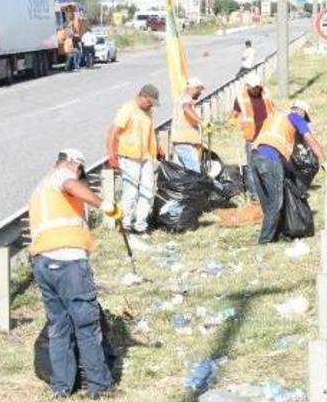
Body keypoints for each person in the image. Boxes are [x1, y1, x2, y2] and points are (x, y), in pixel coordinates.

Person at [28, 148, 121, 398]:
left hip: (43, 263)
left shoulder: (40, 189)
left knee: (59, 327)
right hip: (68, 263)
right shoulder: (62, 176)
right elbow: (70, 183)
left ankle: (61, 387)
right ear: (75, 165)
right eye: (81, 171)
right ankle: (99, 387)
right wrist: (105, 204)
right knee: (86, 325)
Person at [250, 101, 327, 244]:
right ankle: (264, 240)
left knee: (267, 201)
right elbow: (310, 140)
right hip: (270, 159)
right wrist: (323, 161)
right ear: (302, 112)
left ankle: (274, 234)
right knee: (276, 202)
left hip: (254, 157)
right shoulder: (296, 117)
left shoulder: (276, 116)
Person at [106, 84, 161, 234]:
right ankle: (125, 224)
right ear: (142, 96)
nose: (150, 105)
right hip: (129, 157)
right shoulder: (127, 109)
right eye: (149, 102)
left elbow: (151, 131)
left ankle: (141, 225)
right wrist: (112, 156)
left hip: (145, 157)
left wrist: (158, 148)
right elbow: (113, 133)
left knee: (147, 191)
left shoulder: (148, 111)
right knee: (130, 192)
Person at [231, 73, 275, 199]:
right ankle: (254, 193)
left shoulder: (266, 93)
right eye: (253, 87)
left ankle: (269, 189)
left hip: (267, 135)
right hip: (252, 137)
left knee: (269, 163)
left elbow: (273, 108)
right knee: (252, 166)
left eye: (257, 87)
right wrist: (232, 122)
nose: (256, 90)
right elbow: (235, 113)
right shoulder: (241, 98)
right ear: (248, 87)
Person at [171, 78, 206, 172]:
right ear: (195, 88)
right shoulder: (187, 100)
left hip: (179, 141)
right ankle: (195, 187)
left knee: (181, 173)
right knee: (194, 170)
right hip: (185, 141)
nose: (200, 94)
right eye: (200, 91)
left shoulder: (180, 98)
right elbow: (186, 108)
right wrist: (201, 122)